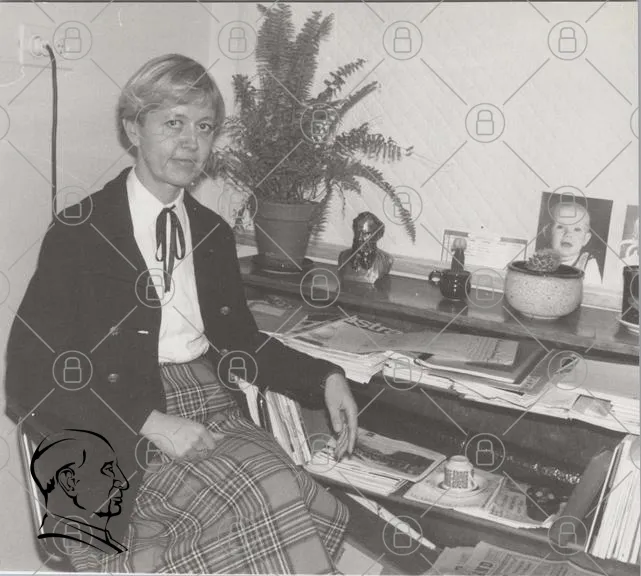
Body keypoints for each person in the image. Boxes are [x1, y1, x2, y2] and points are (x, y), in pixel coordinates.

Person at [5, 54, 358, 574]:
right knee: (264, 492)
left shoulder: (212, 233)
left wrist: (325, 377)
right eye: (173, 123)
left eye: (204, 127)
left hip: (209, 402)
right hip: (115, 421)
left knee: (294, 491)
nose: (191, 142)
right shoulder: (81, 233)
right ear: (134, 129)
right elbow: (29, 376)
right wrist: (148, 422)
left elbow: (241, 342)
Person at [31, 429, 128, 555]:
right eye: (108, 469)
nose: (123, 482)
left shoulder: (102, 542)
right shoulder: (84, 551)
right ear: (69, 482)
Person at [545, 200, 602, 284]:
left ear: (585, 239)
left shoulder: (588, 263)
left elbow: (593, 291)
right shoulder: (541, 259)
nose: (568, 234)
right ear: (547, 233)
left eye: (577, 229)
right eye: (560, 227)